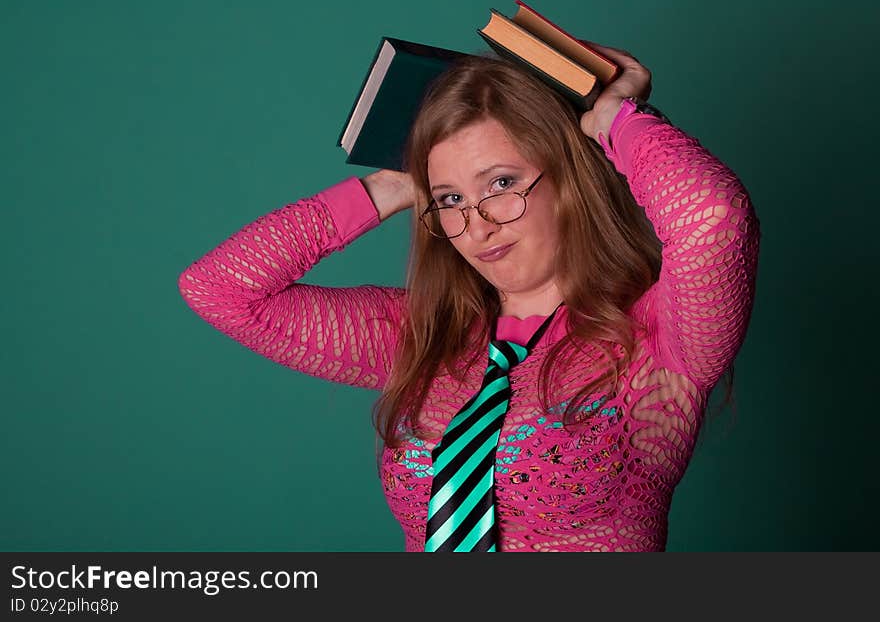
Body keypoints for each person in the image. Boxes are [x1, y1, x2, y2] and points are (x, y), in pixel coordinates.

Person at [178, 41, 761, 552]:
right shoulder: (421, 335)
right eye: (452, 200)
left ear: (571, 180)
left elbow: (711, 219)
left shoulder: (659, 337)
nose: (478, 225)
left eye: (501, 185)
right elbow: (221, 289)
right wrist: (394, 183)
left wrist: (614, 118)